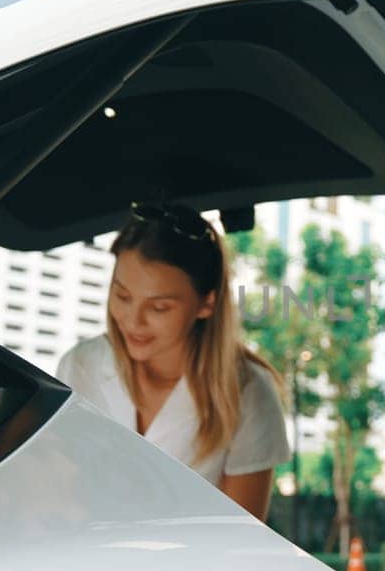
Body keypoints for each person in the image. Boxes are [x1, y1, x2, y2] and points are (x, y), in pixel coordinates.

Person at [57, 202, 289, 521]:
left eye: (159, 307)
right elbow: (60, 500)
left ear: (206, 303)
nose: (133, 321)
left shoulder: (249, 391)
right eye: (122, 296)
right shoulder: (79, 366)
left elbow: (240, 537)